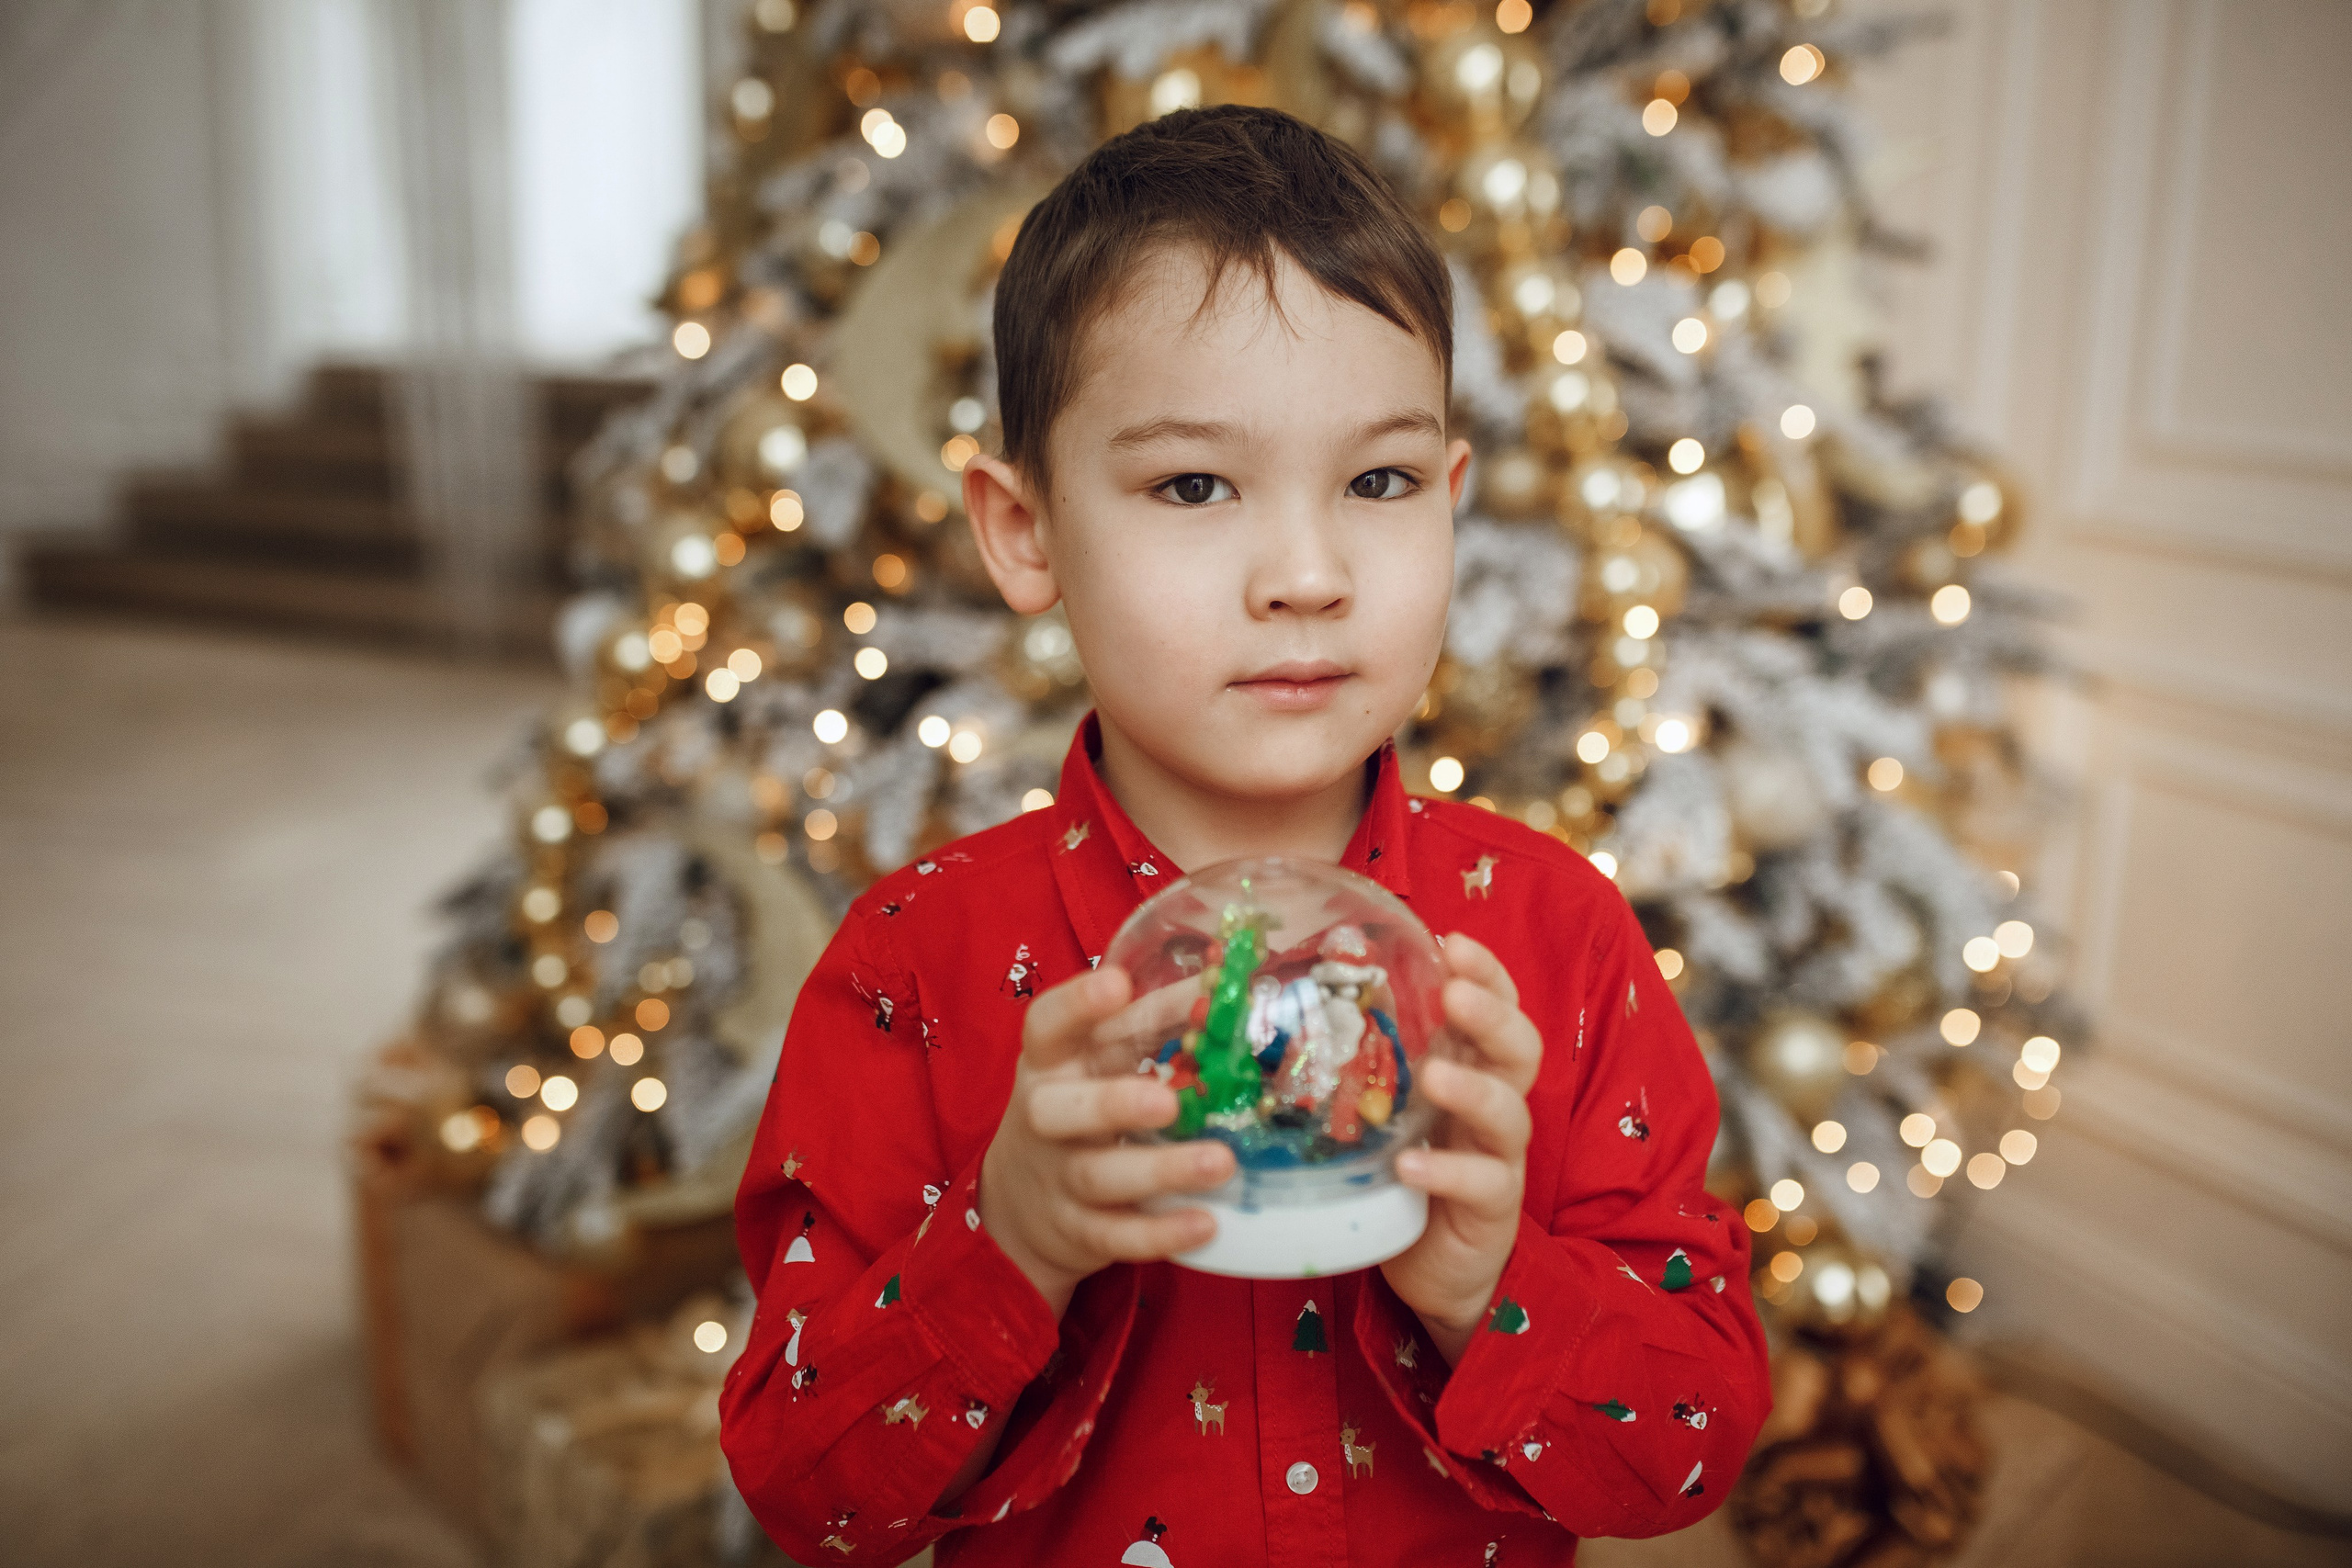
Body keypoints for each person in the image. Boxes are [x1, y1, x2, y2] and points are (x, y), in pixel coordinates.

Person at [719, 104, 1768, 1564]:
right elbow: (804, 1490)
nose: (1307, 573)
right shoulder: (920, 959)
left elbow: (1691, 1452)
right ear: (1025, 533)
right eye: (1194, 486)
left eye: (1380, 481)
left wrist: (1491, 1284)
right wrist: (1008, 1239)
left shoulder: (1552, 940)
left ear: (1453, 503)